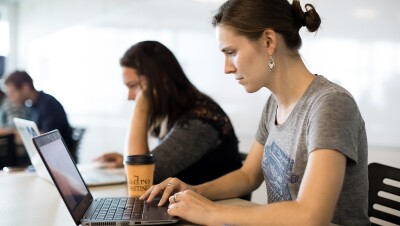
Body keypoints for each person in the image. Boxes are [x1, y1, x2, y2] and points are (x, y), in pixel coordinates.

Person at [140, 0, 370, 225]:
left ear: (269, 41)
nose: (227, 68)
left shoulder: (331, 104)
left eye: (231, 52)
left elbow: (310, 216)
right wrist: (195, 191)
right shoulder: (274, 104)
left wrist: (211, 213)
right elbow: (248, 176)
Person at [95, 41, 242, 185]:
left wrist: (141, 108)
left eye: (133, 86)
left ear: (161, 80)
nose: (130, 96)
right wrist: (124, 160)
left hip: (218, 206)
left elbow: (140, 178)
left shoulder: (199, 120)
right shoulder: (179, 111)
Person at [4, 71, 74, 160]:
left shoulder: (48, 104)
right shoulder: (33, 105)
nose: (11, 97)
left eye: (13, 92)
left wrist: (22, 136)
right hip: (47, 157)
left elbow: (48, 138)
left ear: (25, 87)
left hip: (57, 158)